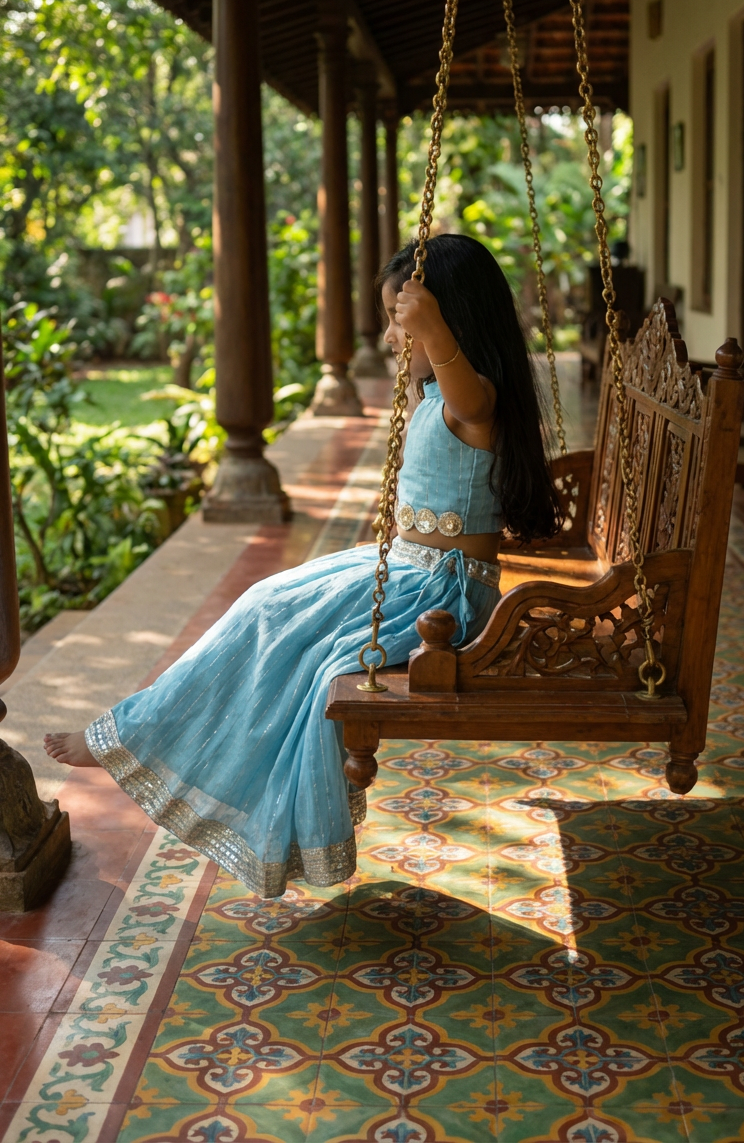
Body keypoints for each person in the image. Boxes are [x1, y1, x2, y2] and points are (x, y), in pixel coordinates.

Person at [44, 235, 561, 897]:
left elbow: (468, 402)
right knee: (266, 601)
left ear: (446, 319)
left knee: (285, 628)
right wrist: (420, 338)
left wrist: (428, 327)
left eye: (400, 322)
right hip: (405, 570)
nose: (392, 336)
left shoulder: (475, 398)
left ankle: (134, 737)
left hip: (441, 595)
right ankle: (140, 731)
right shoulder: (436, 389)